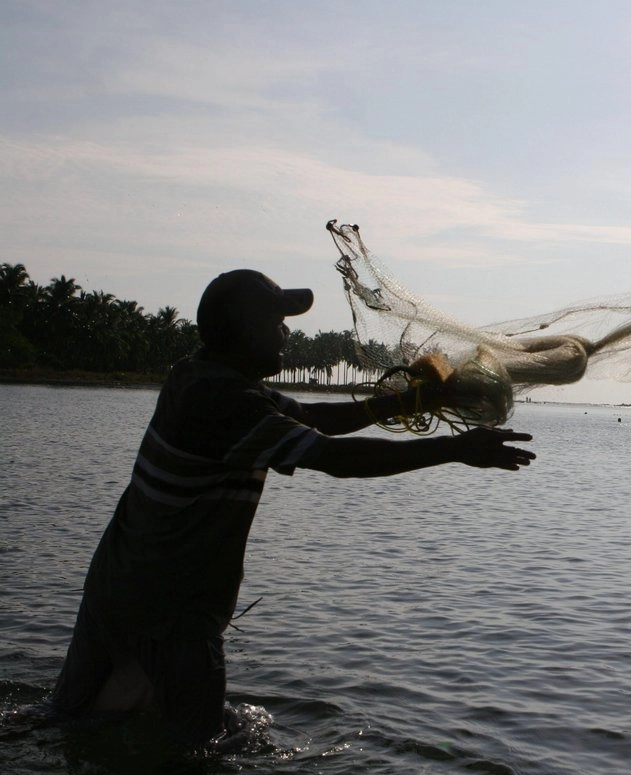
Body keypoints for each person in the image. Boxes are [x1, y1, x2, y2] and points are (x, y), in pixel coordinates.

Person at [50, 269, 535, 750]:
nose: (287, 332)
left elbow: (314, 418)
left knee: (69, 724)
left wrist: (412, 400)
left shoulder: (198, 376)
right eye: (276, 322)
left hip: (114, 587)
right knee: (195, 751)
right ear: (246, 332)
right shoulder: (227, 403)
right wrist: (453, 449)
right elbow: (332, 457)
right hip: (172, 611)